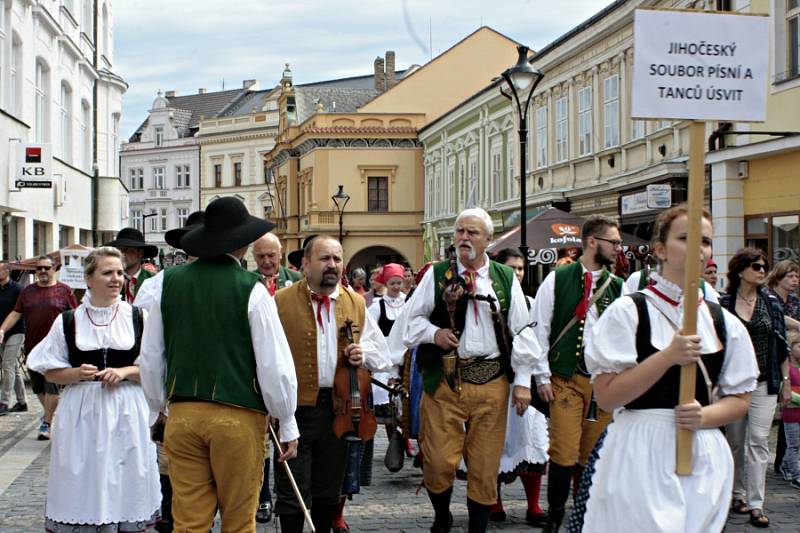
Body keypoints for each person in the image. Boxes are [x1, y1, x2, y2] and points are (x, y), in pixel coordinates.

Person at [571, 204, 758, 532]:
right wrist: (667, 356)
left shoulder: (722, 322)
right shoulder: (629, 312)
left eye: (705, 241)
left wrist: (705, 417)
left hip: (703, 454)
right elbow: (608, 396)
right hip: (640, 449)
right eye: (686, 238)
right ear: (660, 249)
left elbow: (740, 399)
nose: (699, 249)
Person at [138, 197, 299, 533]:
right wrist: (286, 420)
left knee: (189, 520)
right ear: (242, 243)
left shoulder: (166, 283)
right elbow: (274, 366)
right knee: (239, 520)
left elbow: (152, 358)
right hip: (236, 417)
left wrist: (159, 406)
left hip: (182, 414)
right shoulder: (252, 290)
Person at [404, 207, 544, 533]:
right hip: (445, 381)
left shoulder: (504, 277)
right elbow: (409, 324)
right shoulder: (437, 274)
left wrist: (523, 381)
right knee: (438, 461)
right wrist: (434, 334)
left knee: (484, 465)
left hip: (492, 382)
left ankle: (477, 529)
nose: (464, 238)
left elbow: (523, 331)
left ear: (488, 240)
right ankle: (442, 516)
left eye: (472, 233)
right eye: (460, 232)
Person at [27, 247, 162, 531]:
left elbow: (155, 368)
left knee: (127, 481)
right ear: (89, 279)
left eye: (119, 273)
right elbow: (47, 368)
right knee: (83, 482)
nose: (116, 279)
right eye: (107, 273)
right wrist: (75, 373)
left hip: (127, 411)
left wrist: (125, 370)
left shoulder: (138, 317)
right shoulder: (68, 321)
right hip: (82, 415)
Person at [273, 235, 392, 533]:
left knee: (329, 489)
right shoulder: (281, 302)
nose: (333, 265)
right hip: (295, 410)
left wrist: (363, 353)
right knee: (292, 491)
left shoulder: (355, 303)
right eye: (325, 258)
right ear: (305, 264)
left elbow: (382, 354)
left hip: (340, 411)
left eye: (337, 259)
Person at [529, 214, 626, 532]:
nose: (618, 248)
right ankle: (555, 519)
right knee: (564, 450)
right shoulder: (558, 279)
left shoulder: (619, 286)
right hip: (565, 379)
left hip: (602, 384)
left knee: (591, 453)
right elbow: (539, 329)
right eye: (614, 242)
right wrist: (541, 376)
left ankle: (585, 515)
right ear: (593, 242)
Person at [135, 210, 204, 533]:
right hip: (175, 397)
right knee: (172, 476)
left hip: (203, 400)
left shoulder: (240, 285)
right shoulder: (158, 285)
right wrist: (157, 406)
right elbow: (150, 353)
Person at [721, 247, 790, 528]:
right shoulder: (724, 304)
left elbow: (782, 344)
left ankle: (756, 502)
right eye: (756, 266)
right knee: (734, 442)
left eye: (764, 267)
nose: (762, 271)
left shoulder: (772, 302)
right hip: (734, 383)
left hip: (764, 381)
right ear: (740, 270)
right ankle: (735, 494)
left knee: (759, 440)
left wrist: (785, 383)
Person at [0, 255, 77, 439]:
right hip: (33, 346)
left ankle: (47, 422)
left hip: (57, 349)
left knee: (52, 387)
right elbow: (16, 313)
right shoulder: (28, 291)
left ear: (54, 269)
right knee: (38, 388)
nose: (42, 271)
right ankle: (49, 414)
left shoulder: (65, 291)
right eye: (39, 268)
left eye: (46, 268)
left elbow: (75, 318)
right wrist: (2, 329)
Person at [0, 261, 27, 414]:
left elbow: (21, 312)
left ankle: (4, 402)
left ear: (7, 272)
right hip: (1, 333)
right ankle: (22, 402)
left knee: (7, 365)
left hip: (16, 331)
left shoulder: (18, 289)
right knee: (13, 367)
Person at [105, 227, 159, 303]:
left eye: (126, 249)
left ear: (140, 253)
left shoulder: (153, 280)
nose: (121, 254)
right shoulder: (107, 279)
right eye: (118, 250)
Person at [779, 329, 800, 489]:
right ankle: (796, 475)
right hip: (791, 413)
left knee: (796, 444)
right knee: (794, 444)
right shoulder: (787, 371)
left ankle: (785, 464)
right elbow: (785, 390)